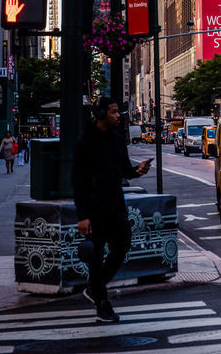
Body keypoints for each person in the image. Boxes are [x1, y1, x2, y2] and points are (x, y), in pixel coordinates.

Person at [72, 96, 151, 323]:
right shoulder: (85, 143)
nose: (118, 116)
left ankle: (95, 288)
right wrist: (83, 216)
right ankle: (102, 303)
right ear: (101, 114)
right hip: (94, 209)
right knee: (96, 256)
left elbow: (125, 171)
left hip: (116, 206)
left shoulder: (118, 139)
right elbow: (78, 181)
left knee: (122, 246)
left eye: (118, 112)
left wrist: (139, 171)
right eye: (114, 112)